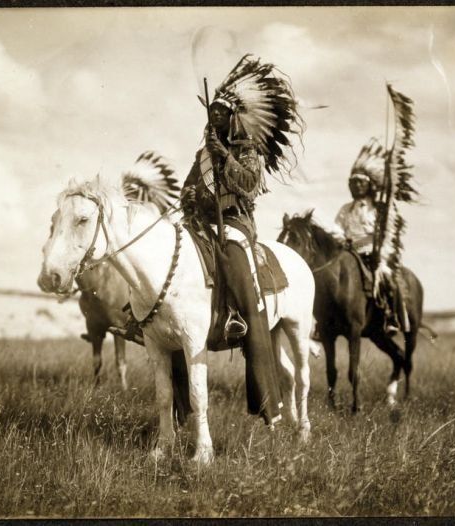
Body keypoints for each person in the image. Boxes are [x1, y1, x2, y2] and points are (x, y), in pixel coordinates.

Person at [181, 54, 304, 427]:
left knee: (235, 260)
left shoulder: (245, 150)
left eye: (220, 114)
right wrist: (188, 205)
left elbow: (249, 186)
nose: (213, 119)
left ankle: (242, 320)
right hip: (202, 225)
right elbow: (188, 189)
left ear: (233, 117)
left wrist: (226, 159)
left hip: (235, 224)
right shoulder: (202, 154)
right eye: (211, 114)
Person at [331, 138, 402, 334]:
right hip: (349, 253)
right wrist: (342, 240)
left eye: (360, 182)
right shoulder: (346, 209)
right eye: (353, 182)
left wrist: (381, 254)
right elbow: (336, 229)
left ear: (369, 185)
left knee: (386, 279)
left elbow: (389, 235)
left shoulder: (380, 210)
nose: (356, 186)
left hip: (373, 255)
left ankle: (390, 317)